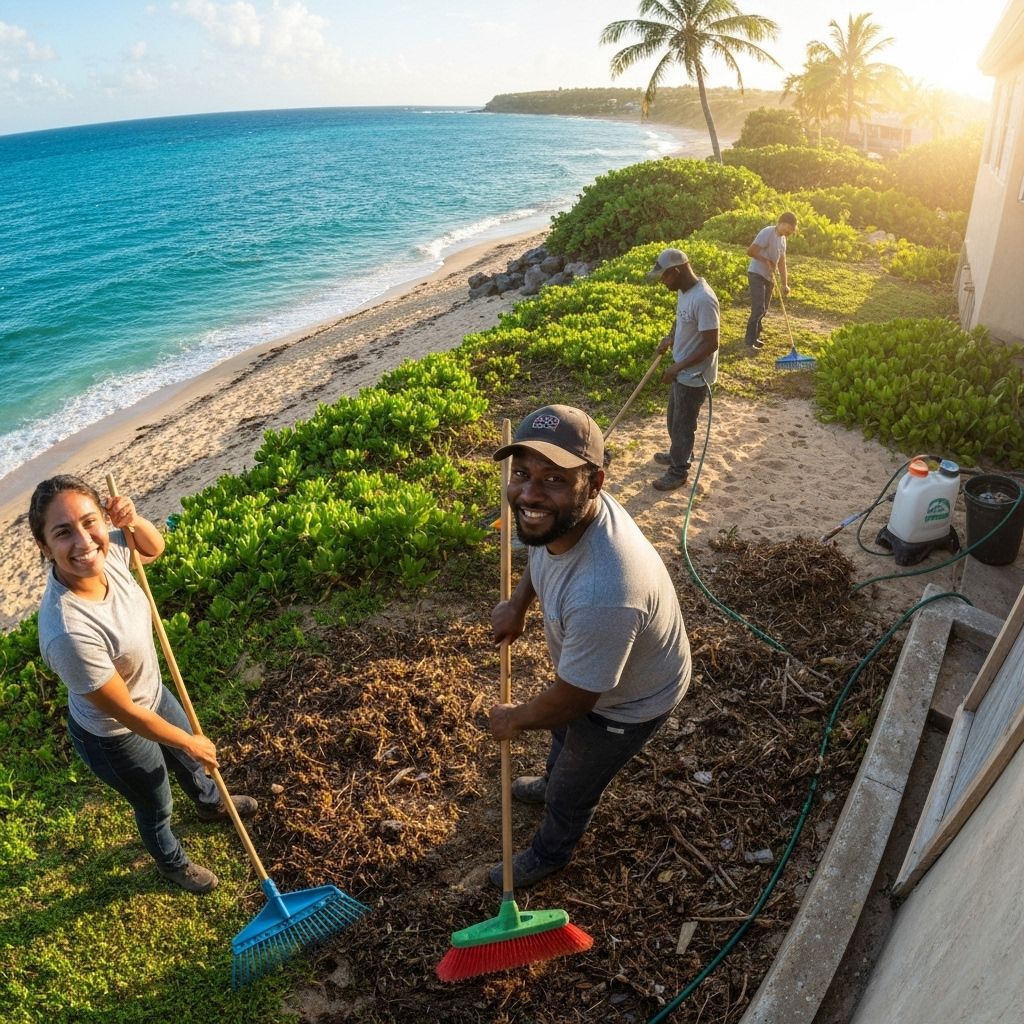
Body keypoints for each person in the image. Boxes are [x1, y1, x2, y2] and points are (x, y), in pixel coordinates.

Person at [488, 405, 691, 889]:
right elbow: (540, 548)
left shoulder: (607, 590)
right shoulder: (557, 517)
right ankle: (549, 779)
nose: (529, 494)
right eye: (522, 474)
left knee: (574, 788)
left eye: (553, 479)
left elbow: (578, 698)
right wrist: (518, 603)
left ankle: (550, 852)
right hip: (596, 675)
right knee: (563, 739)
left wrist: (514, 719)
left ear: (594, 482)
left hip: (628, 704)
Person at [30, 475, 257, 894]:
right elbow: (128, 714)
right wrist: (189, 741)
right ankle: (172, 862)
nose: (83, 541)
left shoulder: (109, 550)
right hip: (114, 734)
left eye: (89, 521)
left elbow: (154, 548)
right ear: (45, 547)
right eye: (63, 532)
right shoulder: (67, 632)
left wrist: (133, 522)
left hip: (152, 693)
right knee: (156, 802)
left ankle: (210, 805)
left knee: (191, 764)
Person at [645, 248, 720, 492]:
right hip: (682, 370)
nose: (662, 282)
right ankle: (678, 452)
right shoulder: (684, 290)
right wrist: (670, 337)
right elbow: (681, 319)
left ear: (676, 271)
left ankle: (678, 471)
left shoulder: (704, 299)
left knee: (683, 425)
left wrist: (677, 367)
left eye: (664, 277)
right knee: (673, 419)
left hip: (695, 375)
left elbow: (712, 343)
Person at [744, 211, 797, 351]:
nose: (790, 232)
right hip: (756, 273)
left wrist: (785, 284)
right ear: (783, 223)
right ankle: (749, 341)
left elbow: (782, 262)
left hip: (769, 277)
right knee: (758, 308)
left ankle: (755, 336)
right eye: (789, 229)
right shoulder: (767, 232)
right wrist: (766, 260)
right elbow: (750, 251)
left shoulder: (783, 239)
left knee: (764, 309)